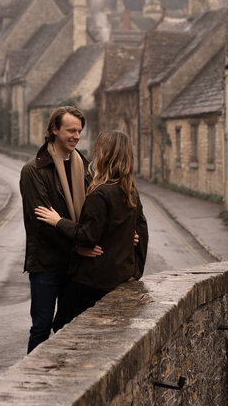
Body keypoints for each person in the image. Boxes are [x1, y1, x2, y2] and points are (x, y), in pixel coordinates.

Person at [34, 130, 147, 331]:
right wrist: (136, 270)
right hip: (119, 276)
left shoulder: (100, 193)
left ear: (104, 154)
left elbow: (87, 237)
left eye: (97, 149)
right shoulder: (130, 190)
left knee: (62, 326)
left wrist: (58, 221)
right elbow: (142, 232)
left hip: (93, 279)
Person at [19, 105, 96, 353]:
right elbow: (43, 222)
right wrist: (80, 246)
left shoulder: (86, 168)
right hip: (46, 264)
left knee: (70, 326)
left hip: (77, 267)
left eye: (79, 131)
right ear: (54, 129)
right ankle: (30, 383)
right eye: (70, 130)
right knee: (41, 327)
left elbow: (95, 214)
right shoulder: (34, 171)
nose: (76, 136)